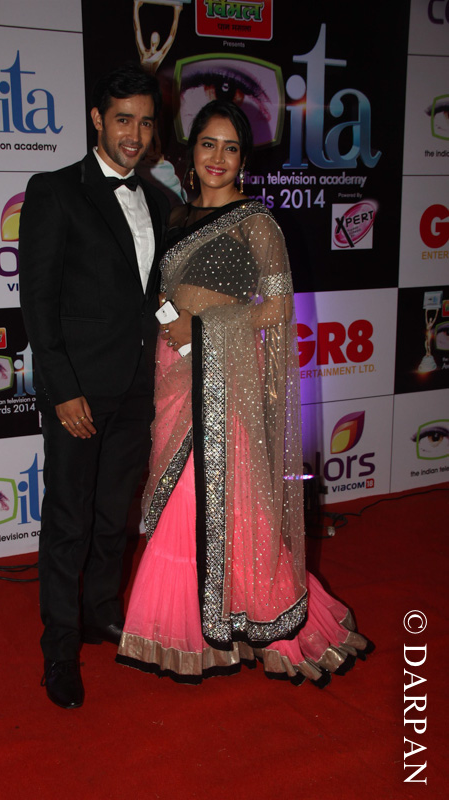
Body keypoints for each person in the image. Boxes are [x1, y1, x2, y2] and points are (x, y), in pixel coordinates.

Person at [116, 100, 370, 683]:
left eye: (231, 148)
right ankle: (181, 628)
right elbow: (160, 293)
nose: (218, 158)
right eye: (208, 144)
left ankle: (263, 619)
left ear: (243, 160)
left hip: (226, 379)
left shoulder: (257, 223)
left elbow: (276, 309)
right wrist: (173, 324)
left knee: (233, 500)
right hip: (175, 373)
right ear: (190, 153)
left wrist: (203, 328)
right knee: (180, 500)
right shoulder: (175, 217)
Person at [19, 63, 170, 709]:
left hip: (138, 387)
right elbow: (38, 301)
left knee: (114, 515)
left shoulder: (158, 200)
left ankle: (100, 611)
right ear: (96, 121)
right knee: (68, 520)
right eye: (122, 120)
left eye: (145, 122)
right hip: (78, 390)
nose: (134, 134)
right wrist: (61, 389)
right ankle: (58, 650)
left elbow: (151, 299)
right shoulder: (55, 191)